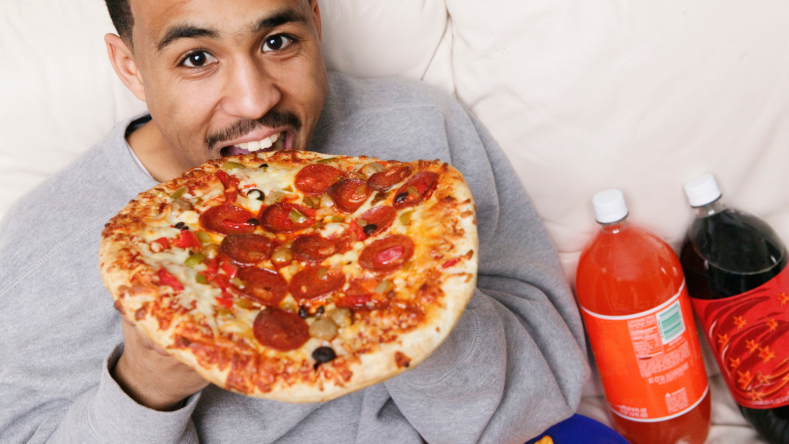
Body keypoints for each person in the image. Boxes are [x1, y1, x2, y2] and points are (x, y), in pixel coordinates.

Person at [0, 0, 589, 442]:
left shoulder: (417, 147)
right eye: (197, 58)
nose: (255, 101)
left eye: (277, 40)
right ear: (130, 68)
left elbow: (546, 387)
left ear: (316, 22)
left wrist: (410, 306)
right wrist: (144, 389)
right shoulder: (40, 248)